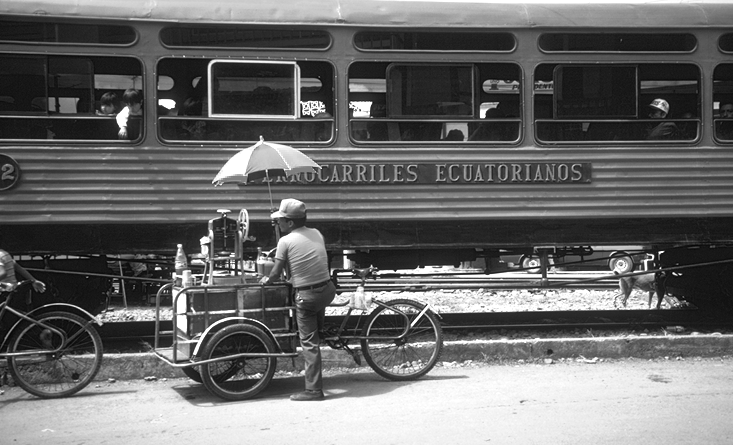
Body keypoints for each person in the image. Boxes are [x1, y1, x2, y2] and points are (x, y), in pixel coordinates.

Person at [260, 198, 336, 401]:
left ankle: (313, 390)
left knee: (309, 343)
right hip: (327, 290)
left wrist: (266, 281)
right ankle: (320, 336)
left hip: (308, 297)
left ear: (290, 223)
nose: (278, 224)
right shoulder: (316, 233)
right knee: (315, 331)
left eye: (281, 221)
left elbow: (275, 273)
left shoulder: (285, 241)